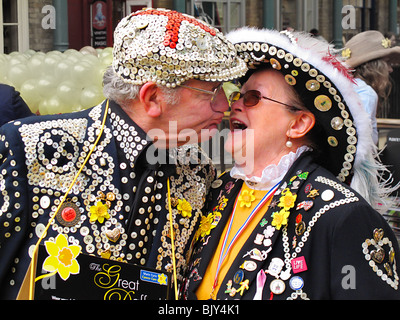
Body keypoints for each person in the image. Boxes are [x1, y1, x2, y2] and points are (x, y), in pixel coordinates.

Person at [0, 8, 247, 300]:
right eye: (211, 91)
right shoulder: (31, 146)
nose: (224, 105)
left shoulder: (197, 169)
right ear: (153, 97)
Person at [181, 28, 400, 300]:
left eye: (253, 98)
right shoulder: (215, 191)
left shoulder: (342, 215)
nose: (235, 105)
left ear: (298, 124)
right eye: (238, 95)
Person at [342, 30, 400, 145]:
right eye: (387, 63)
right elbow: (361, 143)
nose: (390, 69)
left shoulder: (347, 86)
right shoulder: (366, 93)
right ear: (375, 67)